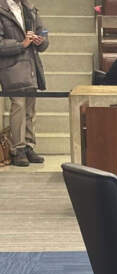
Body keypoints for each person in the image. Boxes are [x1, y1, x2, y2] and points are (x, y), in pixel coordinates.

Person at [0, 0, 47, 167]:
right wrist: (21, 44)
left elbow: (44, 32)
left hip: (31, 65)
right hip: (12, 67)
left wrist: (41, 40)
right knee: (19, 106)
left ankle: (28, 145)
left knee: (30, 109)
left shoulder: (29, 8)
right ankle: (17, 148)